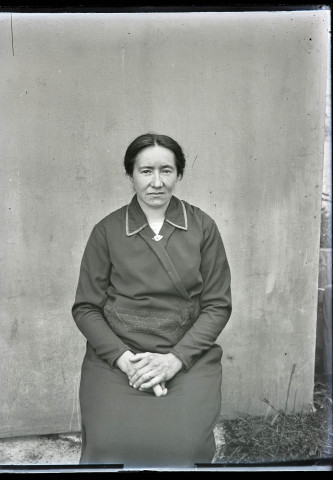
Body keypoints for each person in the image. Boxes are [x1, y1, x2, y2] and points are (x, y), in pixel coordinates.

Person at [72, 133, 232, 468]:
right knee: (109, 444)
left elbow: (218, 304)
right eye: (146, 171)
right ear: (131, 174)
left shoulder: (203, 227)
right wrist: (123, 359)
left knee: (183, 446)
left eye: (166, 171)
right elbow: (86, 308)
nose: (156, 182)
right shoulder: (107, 231)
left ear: (179, 175)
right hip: (118, 359)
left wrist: (175, 360)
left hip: (187, 356)